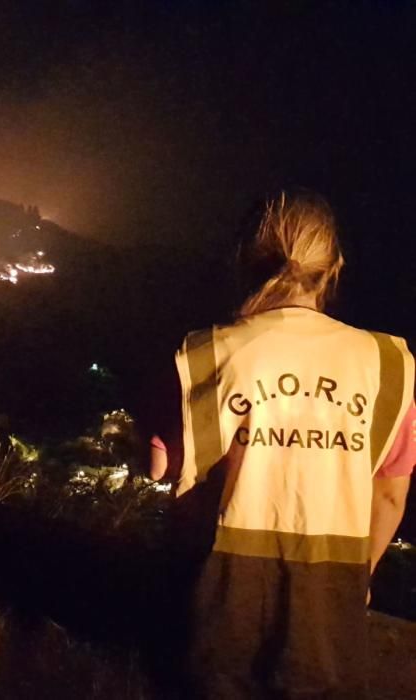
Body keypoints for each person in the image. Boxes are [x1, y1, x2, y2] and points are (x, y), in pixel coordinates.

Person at [149, 192, 415, 698]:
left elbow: (162, 468)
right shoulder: (388, 363)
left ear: (248, 259)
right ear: (332, 267)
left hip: (215, 612)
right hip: (330, 627)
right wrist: (357, 579)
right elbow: (389, 497)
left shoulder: (203, 352)